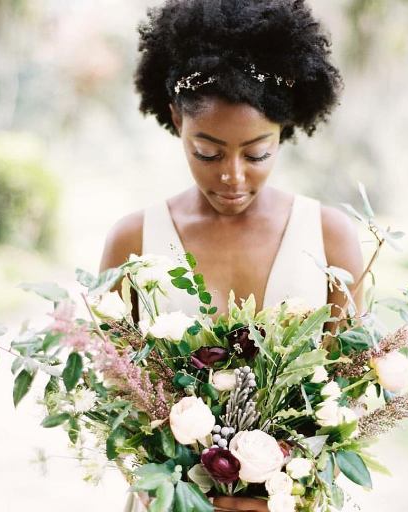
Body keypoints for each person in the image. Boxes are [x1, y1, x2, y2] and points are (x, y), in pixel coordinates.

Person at [99, 0, 364, 510]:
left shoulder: (332, 237)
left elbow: (350, 395)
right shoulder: (131, 241)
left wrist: (286, 490)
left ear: (286, 128)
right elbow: (113, 400)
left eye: (258, 152)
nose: (233, 176)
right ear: (176, 118)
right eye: (208, 152)